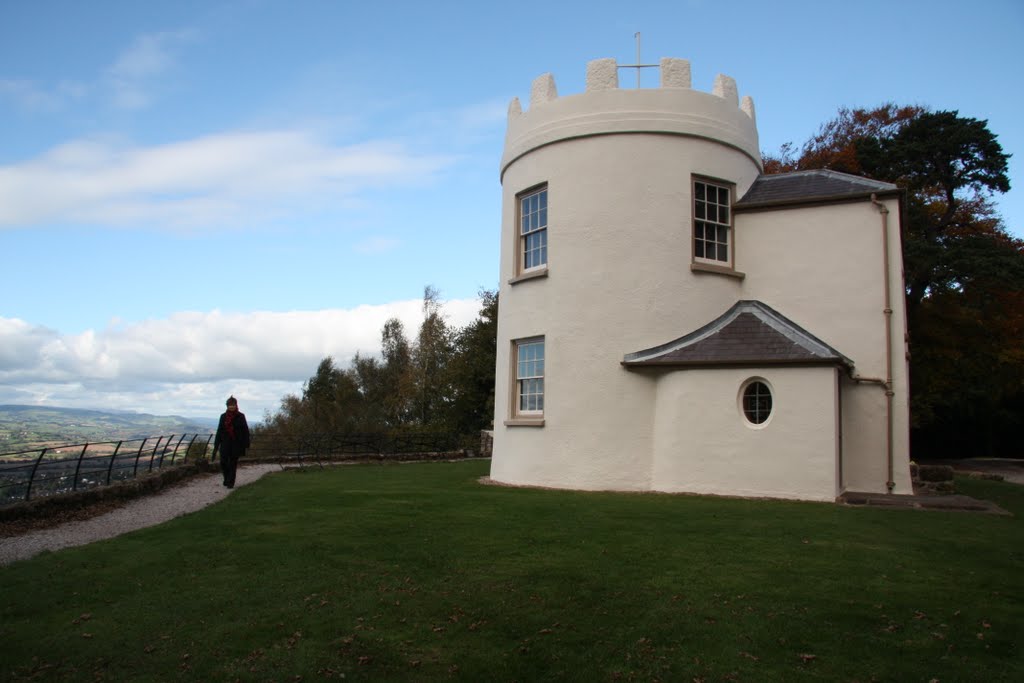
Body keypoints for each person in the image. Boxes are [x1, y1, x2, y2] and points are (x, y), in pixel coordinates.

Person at [213, 396, 250, 488]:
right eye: (229, 405)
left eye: (233, 405)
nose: (231, 407)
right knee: (223, 462)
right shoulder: (223, 416)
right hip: (225, 443)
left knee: (233, 463)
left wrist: (246, 443)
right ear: (227, 406)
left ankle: (230, 482)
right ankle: (226, 478)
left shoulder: (241, 416)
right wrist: (216, 444)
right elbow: (219, 430)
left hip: (236, 443)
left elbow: (245, 430)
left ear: (236, 405)